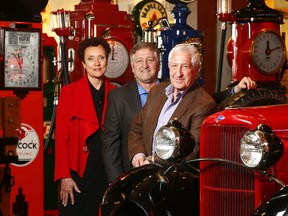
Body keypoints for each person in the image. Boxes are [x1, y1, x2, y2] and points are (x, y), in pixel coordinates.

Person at [54, 37, 116, 216]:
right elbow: (61, 138)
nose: (96, 63)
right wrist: (64, 176)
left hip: (106, 169)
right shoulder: (69, 92)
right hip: (78, 170)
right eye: (91, 58)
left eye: (101, 58)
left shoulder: (115, 93)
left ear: (107, 60)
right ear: (83, 63)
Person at [128, 43, 217, 167]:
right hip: (145, 170)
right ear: (169, 67)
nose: (178, 73)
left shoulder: (204, 104)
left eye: (185, 66)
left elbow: (194, 150)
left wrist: (153, 160)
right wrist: (138, 154)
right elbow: (137, 127)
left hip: (174, 176)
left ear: (197, 69)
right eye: (174, 66)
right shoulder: (156, 91)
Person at [101, 42, 163, 183]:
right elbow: (111, 144)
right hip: (131, 177)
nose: (145, 65)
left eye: (150, 60)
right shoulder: (118, 97)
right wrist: (117, 182)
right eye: (139, 61)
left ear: (158, 64)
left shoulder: (173, 91)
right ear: (133, 67)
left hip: (167, 175)